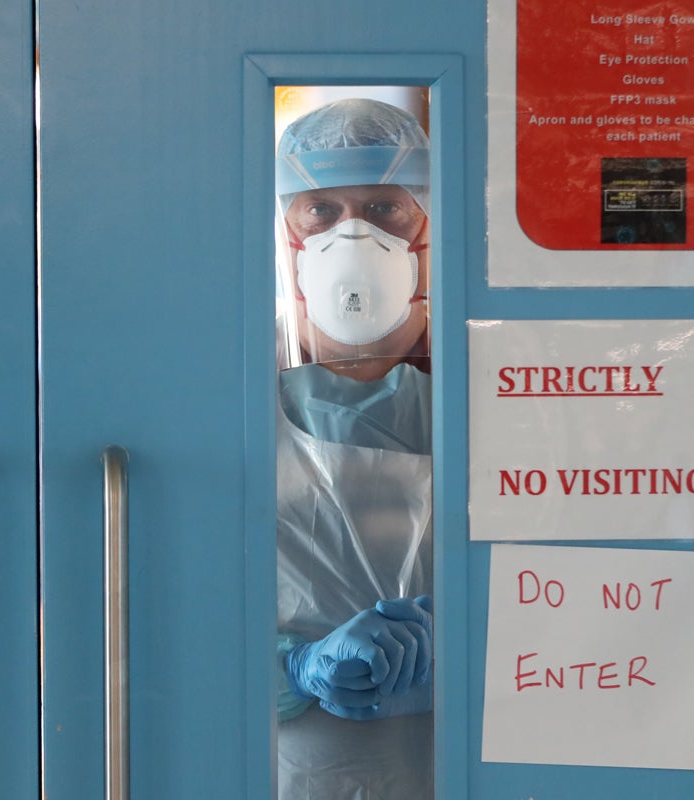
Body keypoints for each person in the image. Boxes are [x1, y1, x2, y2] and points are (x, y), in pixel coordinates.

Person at [273, 97, 434, 798]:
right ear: (287, 231)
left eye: (383, 208)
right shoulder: (227, 399)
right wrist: (292, 668)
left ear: (429, 223)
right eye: (321, 211)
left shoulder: (498, 394)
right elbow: (176, 617)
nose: (353, 235)